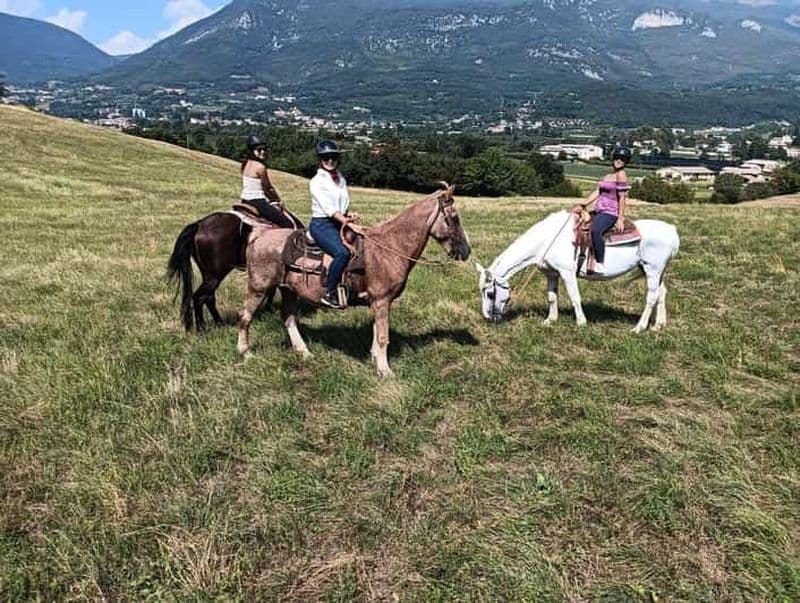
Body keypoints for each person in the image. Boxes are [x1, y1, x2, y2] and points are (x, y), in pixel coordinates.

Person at [309, 139, 360, 309]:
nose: (330, 161)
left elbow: (341, 203)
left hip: (339, 221)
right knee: (342, 253)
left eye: (333, 157)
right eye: (326, 158)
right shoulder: (316, 182)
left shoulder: (340, 179)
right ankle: (329, 293)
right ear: (320, 160)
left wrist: (348, 214)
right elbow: (329, 209)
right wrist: (346, 220)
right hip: (322, 225)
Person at [579, 145, 631, 274]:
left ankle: (600, 263)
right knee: (579, 224)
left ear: (626, 162)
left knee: (596, 231)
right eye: (617, 157)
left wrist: (620, 218)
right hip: (599, 210)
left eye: (623, 159)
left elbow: (622, 198)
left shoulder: (621, 175)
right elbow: (598, 192)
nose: (619, 160)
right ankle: (580, 257)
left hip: (610, 212)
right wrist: (584, 204)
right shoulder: (608, 176)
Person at [240, 134, 299, 228]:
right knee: (287, 223)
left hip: (244, 200)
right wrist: (277, 200)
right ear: (252, 151)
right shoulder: (260, 167)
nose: (263, 152)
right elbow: (268, 187)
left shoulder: (245, 164)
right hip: (257, 202)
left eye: (264, 149)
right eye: (259, 150)